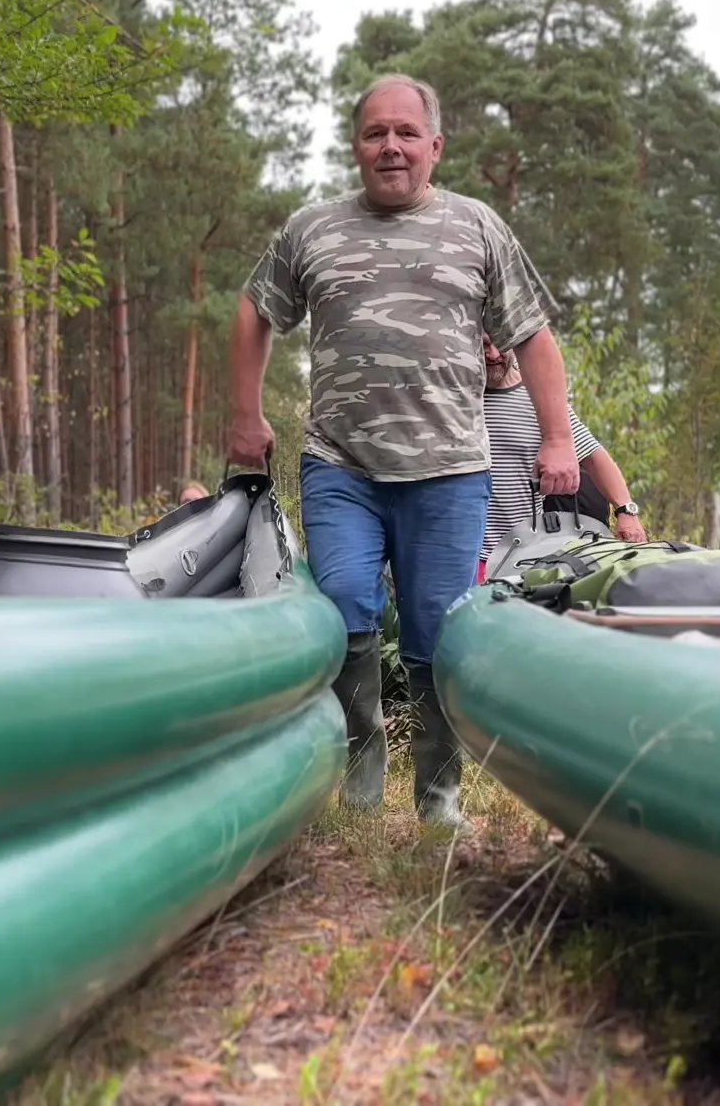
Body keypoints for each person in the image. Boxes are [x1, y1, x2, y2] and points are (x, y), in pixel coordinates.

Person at [226, 73, 581, 829]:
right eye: (374, 132)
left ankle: (438, 792)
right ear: (356, 146)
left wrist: (557, 436)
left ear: (435, 146)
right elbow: (256, 309)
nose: (391, 146)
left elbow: (533, 334)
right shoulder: (312, 229)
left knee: (436, 629)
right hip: (341, 464)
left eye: (406, 133)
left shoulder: (478, 227)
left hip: (450, 468)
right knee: (348, 611)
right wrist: (245, 415)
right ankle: (361, 766)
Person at [478, 335, 646, 581]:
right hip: (464, 553)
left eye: (499, 344)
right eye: (483, 346)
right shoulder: (454, 399)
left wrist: (626, 511)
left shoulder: (539, 400)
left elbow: (594, 456)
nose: (492, 355)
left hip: (521, 556)